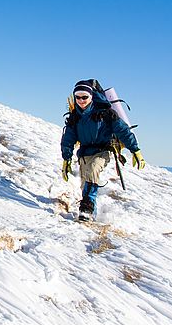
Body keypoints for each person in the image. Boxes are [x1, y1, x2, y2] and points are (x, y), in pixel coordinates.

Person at [60, 80, 145, 221]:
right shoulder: (75, 117)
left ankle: (86, 210)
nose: (81, 100)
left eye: (84, 97)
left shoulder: (106, 114)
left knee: (93, 170)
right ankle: (91, 215)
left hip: (102, 151)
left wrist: (135, 151)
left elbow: (123, 131)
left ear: (91, 96)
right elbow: (68, 139)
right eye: (78, 97)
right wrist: (66, 159)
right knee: (85, 185)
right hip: (84, 154)